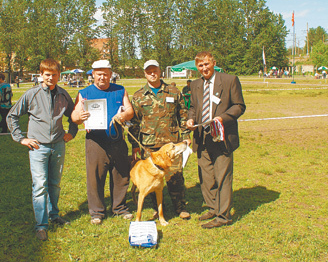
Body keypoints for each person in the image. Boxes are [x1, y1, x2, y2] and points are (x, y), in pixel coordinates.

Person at [7, 59, 78, 241]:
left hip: (58, 145)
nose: (51, 78)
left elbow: (74, 116)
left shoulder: (63, 95)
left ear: (59, 75)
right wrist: (21, 138)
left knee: (54, 183)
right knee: (40, 185)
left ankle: (54, 215)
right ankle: (41, 225)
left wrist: (72, 132)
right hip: (37, 147)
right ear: (41, 75)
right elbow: (12, 116)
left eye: (54, 75)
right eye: (47, 74)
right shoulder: (31, 94)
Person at [186, 51, 246, 229]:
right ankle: (212, 207)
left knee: (223, 177)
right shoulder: (195, 84)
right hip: (202, 137)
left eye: (206, 64)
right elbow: (194, 107)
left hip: (222, 137)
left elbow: (239, 106)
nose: (204, 68)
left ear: (213, 63)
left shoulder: (229, 80)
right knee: (206, 177)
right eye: (200, 65)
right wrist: (191, 119)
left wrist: (223, 118)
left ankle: (223, 216)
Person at [71, 59, 134, 225]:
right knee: (95, 177)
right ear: (93, 74)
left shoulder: (120, 90)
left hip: (117, 140)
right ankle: (97, 212)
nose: (102, 77)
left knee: (121, 175)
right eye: (99, 74)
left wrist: (123, 115)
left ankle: (120, 208)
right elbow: (74, 116)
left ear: (110, 74)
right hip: (96, 142)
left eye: (106, 74)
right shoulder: (84, 93)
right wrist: (80, 117)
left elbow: (130, 110)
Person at [129, 60, 192, 221]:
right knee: (151, 178)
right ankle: (157, 208)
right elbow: (134, 123)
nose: (152, 73)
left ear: (160, 71)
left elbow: (183, 114)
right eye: (148, 71)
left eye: (155, 70)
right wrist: (135, 146)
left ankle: (180, 207)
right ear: (145, 73)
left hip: (171, 142)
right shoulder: (138, 96)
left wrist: (185, 136)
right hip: (149, 145)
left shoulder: (173, 92)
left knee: (175, 176)